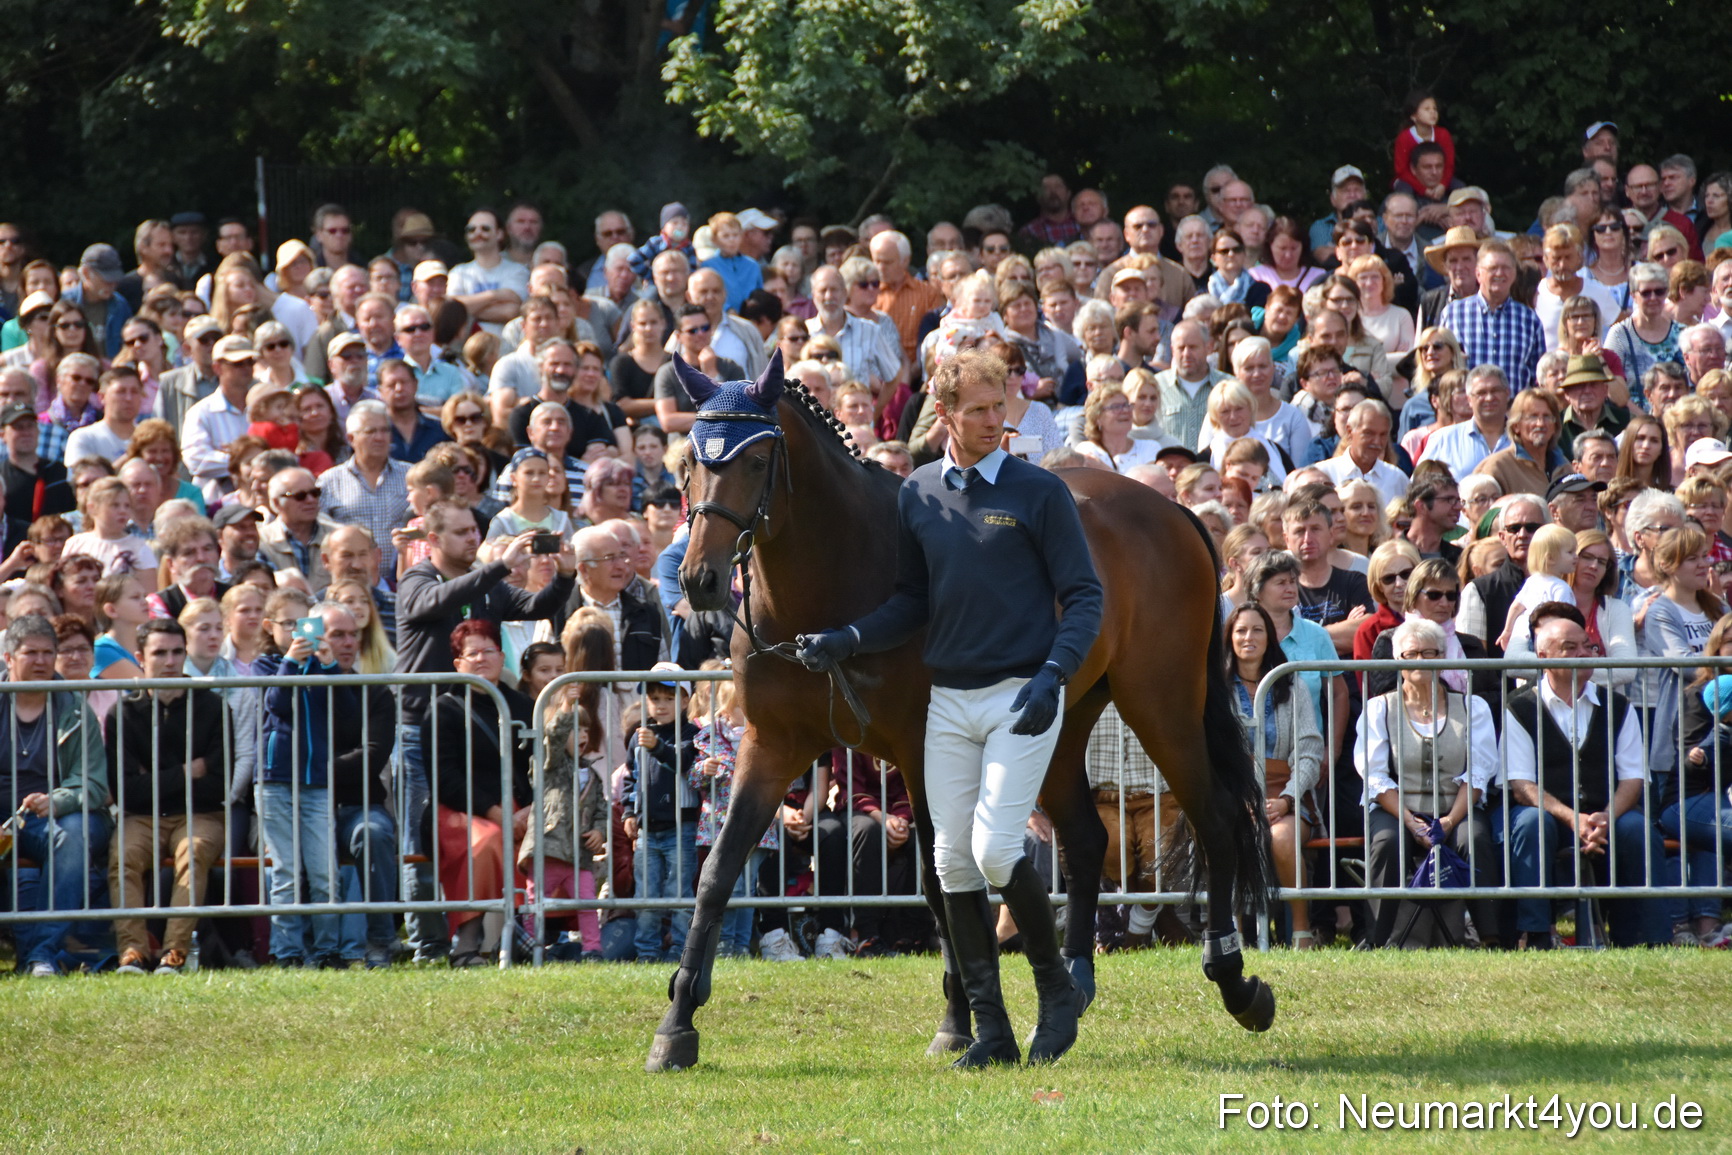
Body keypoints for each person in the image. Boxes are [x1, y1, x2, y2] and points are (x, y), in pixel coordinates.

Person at [796, 350, 1103, 1067]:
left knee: (996, 848)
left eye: (1002, 406)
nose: (995, 421)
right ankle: (991, 1029)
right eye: (979, 409)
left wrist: (1055, 674)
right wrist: (847, 637)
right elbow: (912, 602)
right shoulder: (919, 493)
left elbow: (1085, 596)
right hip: (949, 702)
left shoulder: (1039, 492)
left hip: (1022, 693)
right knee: (949, 863)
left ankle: (1056, 991)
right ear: (944, 414)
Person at [396, 502, 574, 962]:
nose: (471, 538)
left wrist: (566, 576)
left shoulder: (490, 588)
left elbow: (538, 605)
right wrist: (498, 566)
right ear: (432, 540)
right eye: (459, 532)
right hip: (423, 726)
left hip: (485, 721)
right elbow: (438, 602)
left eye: (474, 530)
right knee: (421, 845)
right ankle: (428, 945)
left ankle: (516, 936)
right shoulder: (418, 580)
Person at [1502, 612, 1670, 948]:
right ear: (1544, 658)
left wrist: (1605, 818)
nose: (1584, 654)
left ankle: (1643, 937)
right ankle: (1535, 934)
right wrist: (1571, 818)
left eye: (1588, 646)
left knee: (1638, 829)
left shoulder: (1619, 706)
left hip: (1606, 813)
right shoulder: (1519, 707)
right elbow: (1521, 785)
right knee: (1530, 823)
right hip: (1549, 815)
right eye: (1570, 647)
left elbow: (1633, 779)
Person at [1356, 617, 1499, 948]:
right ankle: (1377, 939)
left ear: (1444, 655)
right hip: (1396, 809)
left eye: (1430, 653)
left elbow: (1479, 771)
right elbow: (1374, 775)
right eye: (1411, 654)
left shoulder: (1472, 706)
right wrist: (1410, 821)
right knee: (1387, 842)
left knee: (1474, 837)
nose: (1420, 661)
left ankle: (1491, 937)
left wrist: (1449, 821)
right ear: (1398, 660)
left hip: (1455, 806)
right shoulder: (1379, 709)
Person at [106, 618, 229, 975]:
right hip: (141, 816)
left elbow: (218, 784)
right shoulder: (123, 712)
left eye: (177, 652)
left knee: (193, 854)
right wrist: (189, 771)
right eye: (160, 653)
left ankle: (174, 952)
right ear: (140, 656)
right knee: (123, 857)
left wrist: (153, 779)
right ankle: (132, 952)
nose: (171, 661)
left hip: (201, 813)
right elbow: (128, 791)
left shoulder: (213, 705)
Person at [0, 614, 112, 977]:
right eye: (30, 653)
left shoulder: (76, 708)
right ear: (8, 658)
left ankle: (41, 954)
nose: (41, 661)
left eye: (48, 653)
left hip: (57, 818)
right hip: (5, 820)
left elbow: (95, 785)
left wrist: (57, 801)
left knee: (72, 834)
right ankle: (39, 955)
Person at [1225, 601, 1323, 948]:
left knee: (1281, 839)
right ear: (1229, 638)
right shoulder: (1216, 690)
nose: (1248, 637)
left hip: (1287, 793)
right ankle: (1234, 935)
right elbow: (1214, 755)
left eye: (1257, 629)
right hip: (1235, 794)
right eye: (1240, 630)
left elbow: (1310, 749)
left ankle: (1301, 930)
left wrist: (1286, 799)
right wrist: (1240, 800)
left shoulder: (1290, 684)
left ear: (1270, 637)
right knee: (1232, 834)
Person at [318, 400, 412, 576]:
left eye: (385, 430)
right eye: (370, 431)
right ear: (351, 438)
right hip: (351, 582)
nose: (380, 437)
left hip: (402, 581)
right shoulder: (329, 482)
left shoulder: (411, 476)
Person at [1439, 241, 1545, 393]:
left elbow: (1538, 379)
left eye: (1506, 268)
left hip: (1514, 413)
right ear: (1478, 274)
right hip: (1466, 411)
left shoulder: (1529, 320)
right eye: (1493, 268)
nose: (1500, 273)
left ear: (1514, 274)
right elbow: (1442, 368)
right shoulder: (1453, 314)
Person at [1457, 495, 1547, 657]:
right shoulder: (1479, 590)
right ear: (1502, 537)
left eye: (1532, 527)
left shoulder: (1565, 580)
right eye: (1513, 528)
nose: (1522, 534)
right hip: (1499, 682)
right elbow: (1472, 661)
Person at [1604, 263, 1683, 407]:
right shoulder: (1619, 335)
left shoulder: (1682, 333)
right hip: (1635, 421)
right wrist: (1644, 420)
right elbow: (1612, 388)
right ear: (1633, 295)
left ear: (1666, 293)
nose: (1653, 298)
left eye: (1659, 291)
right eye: (1646, 293)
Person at [1474, 386, 1565, 497]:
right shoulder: (1498, 467)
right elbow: (1481, 511)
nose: (1540, 424)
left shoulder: (1563, 466)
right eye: (1533, 417)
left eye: (1547, 417)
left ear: (1555, 426)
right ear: (1516, 426)